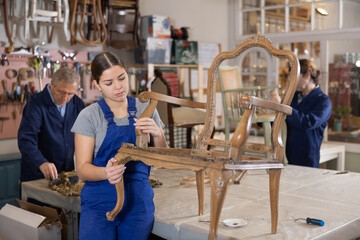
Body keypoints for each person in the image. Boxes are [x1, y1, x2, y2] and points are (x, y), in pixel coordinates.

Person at [71, 52, 167, 240]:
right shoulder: (89, 116)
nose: (118, 87)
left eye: (122, 78)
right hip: (99, 203)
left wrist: (158, 133)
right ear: (97, 85)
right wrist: (105, 173)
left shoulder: (145, 109)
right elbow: (82, 169)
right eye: (109, 83)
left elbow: (162, 159)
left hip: (138, 202)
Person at [18, 67, 84, 181]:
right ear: (52, 84)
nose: (65, 98)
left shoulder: (77, 104)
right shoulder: (35, 104)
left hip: (67, 174)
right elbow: (26, 140)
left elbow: (86, 136)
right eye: (61, 92)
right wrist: (41, 162)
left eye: (70, 93)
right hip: (38, 174)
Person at [271, 59, 331, 168]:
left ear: (307, 75)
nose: (290, 80)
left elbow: (307, 122)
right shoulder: (292, 97)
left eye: (293, 76)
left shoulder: (324, 102)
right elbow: (281, 121)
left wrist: (282, 107)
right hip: (286, 158)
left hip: (307, 160)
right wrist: (262, 116)